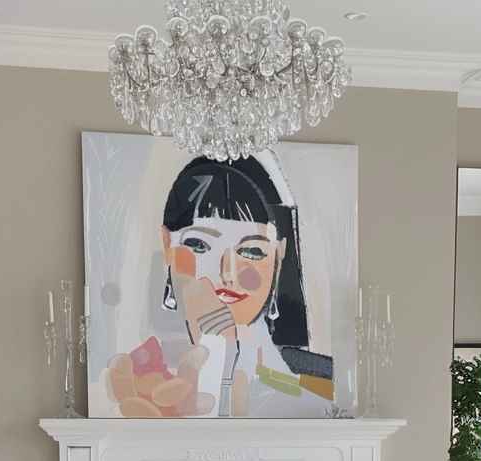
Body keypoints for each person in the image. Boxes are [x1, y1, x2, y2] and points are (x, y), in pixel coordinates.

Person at [106, 154, 334, 418]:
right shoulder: (142, 376)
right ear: (168, 246)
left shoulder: (313, 391)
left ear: (278, 256)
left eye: (252, 251)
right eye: (199, 245)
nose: (228, 273)